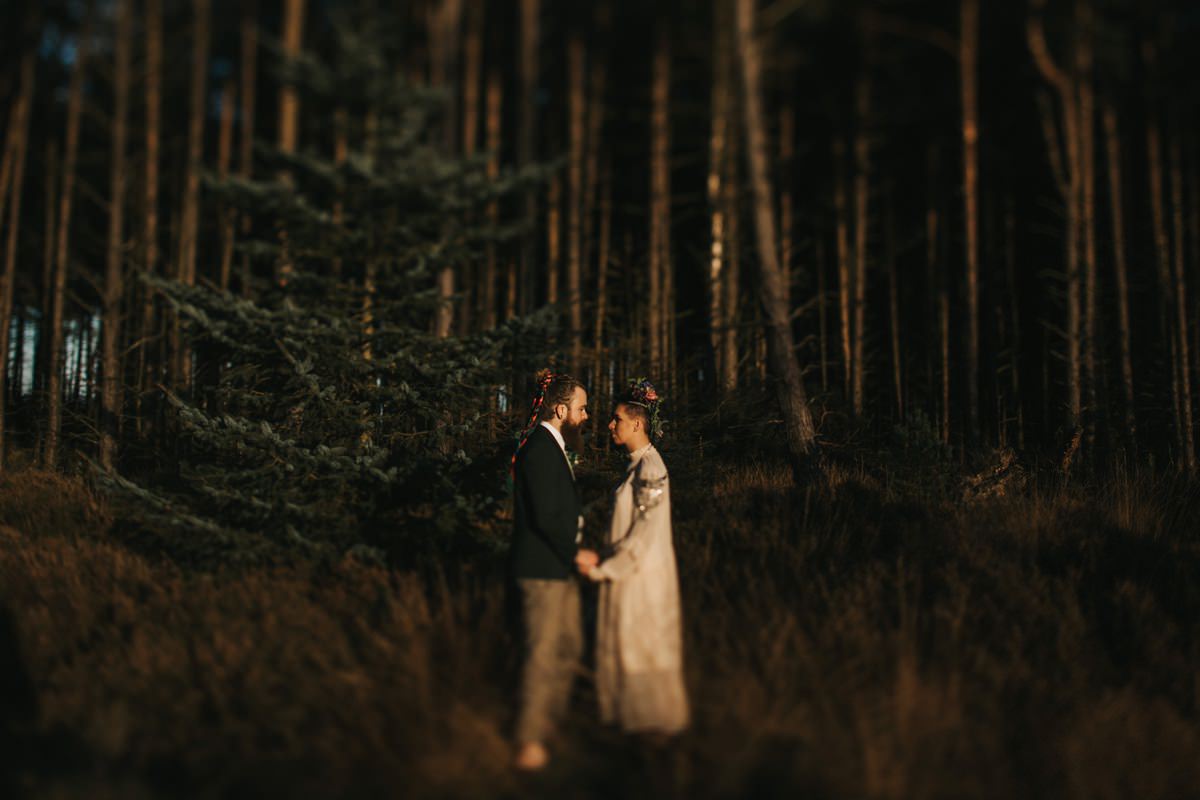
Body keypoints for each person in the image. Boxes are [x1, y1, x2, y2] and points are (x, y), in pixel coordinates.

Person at [578, 378, 689, 737]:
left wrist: (606, 568)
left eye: (616, 419)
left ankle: (649, 738)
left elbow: (645, 532)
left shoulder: (651, 468)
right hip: (627, 575)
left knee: (640, 653)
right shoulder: (634, 466)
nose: (609, 425)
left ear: (637, 424)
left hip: (642, 580)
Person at [509, 370, 598, 771]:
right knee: (543, 654)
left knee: (568, 647)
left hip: (559, 566)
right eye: (581, 408)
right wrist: (575, 554)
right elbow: (545, 516)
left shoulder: (554, 446)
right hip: (543, 568)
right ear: (560, 409)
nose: (586, 416)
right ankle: (529, 742)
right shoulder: (539, 449)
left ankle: (550, 726)